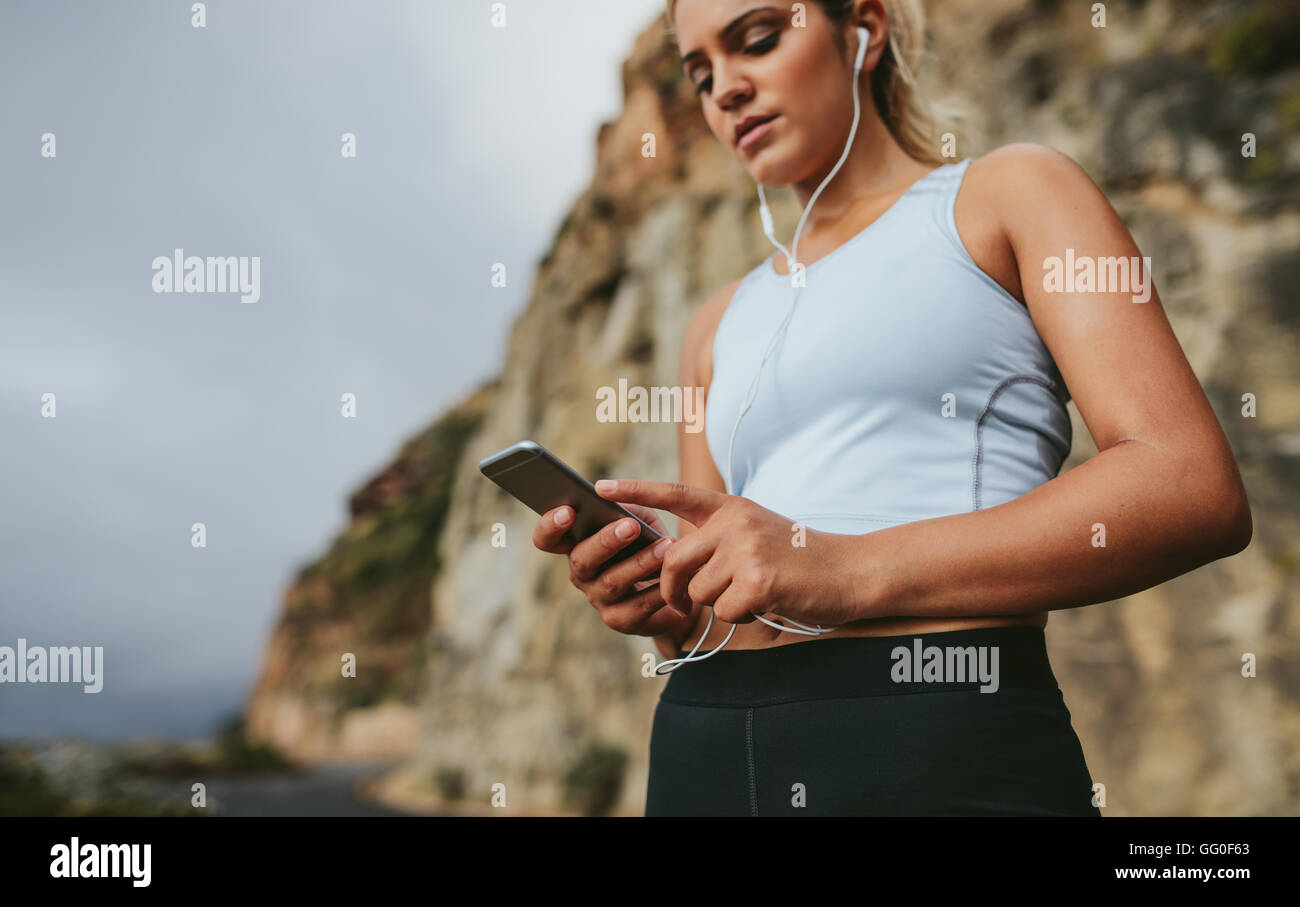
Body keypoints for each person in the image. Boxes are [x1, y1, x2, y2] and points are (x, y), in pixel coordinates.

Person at [531, 0, 1252, 816]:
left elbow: (1191, 486)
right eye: (700, 74)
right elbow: (710, 628)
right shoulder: (713, 325)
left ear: (862, 29)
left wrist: (844, 566)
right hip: (704, 750)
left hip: (937, 736)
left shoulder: (1008, 193)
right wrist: (663, 607)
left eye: (758, 40)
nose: (726, 89)